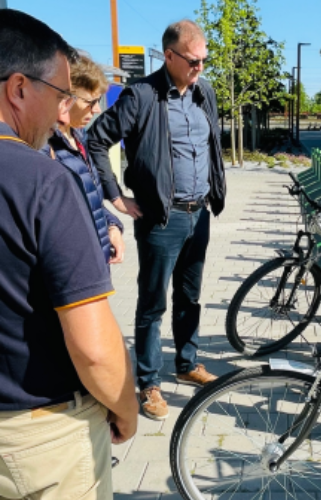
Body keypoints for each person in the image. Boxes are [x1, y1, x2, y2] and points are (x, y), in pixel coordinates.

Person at [0, 9, 138, 499]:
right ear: (18, 88)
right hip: (37, 438)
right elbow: (94, 348)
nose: (64, 108)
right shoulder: (39, 180)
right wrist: (126, 406)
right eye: (59, 94)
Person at [88, 19, 226, 420]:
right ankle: (149, 384)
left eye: (204, 59)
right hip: (160, 220)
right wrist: (116, 196)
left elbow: (211, 145)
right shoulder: (142, 95)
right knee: (152, 304)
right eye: (193, 60)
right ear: (169, 56)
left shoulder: (205, 92)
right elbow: (95, 141)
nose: (200, 67)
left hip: (198, 214)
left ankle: (187, 363)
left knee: (190, 296)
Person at [42, 55, 125, 265]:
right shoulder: (43, 146)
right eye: (91, 102)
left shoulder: (79, 137)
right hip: (71, 265)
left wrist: (112, 226)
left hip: (95, 257)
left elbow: (89, 198)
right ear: (65, 98)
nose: (97, 109)